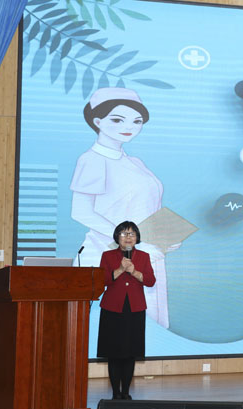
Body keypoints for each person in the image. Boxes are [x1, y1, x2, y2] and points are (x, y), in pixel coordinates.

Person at [71, 87, 173, 328]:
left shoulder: (136, 162)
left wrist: (163, 238)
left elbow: (147, 207)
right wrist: (131, 241)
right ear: (98, 121)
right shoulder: (92, 159)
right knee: (106, 325)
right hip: (106, 252)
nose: (129, 127)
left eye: (137, 121)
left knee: (147, 325)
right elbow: (81, 211)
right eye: (117, 119)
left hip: (145, 253)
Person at [98, 221, 156, 400]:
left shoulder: (144, 256)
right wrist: (120, 269)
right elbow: (102, 280)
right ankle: (116, 393)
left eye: (132, 234)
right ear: (117, 237)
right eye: (124, 234)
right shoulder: (107, 256)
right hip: (112, 308)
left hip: (135, 308)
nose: (128, 237)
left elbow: (150, 281)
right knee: (114, 352)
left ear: (137, 237)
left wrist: (134, 272)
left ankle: (126, 393)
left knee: (130, 352)